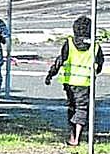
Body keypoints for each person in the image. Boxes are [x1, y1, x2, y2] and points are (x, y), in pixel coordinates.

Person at [44, 15, 106, 146]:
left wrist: (51, 74)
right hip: (86, 82)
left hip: (70, 82)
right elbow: (100, 63)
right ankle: (77, 136)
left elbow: (60, 60)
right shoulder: (95, 46)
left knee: (72, 107)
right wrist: (95, 72)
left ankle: (72, 134)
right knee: (82, 108)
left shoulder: (69, 43)